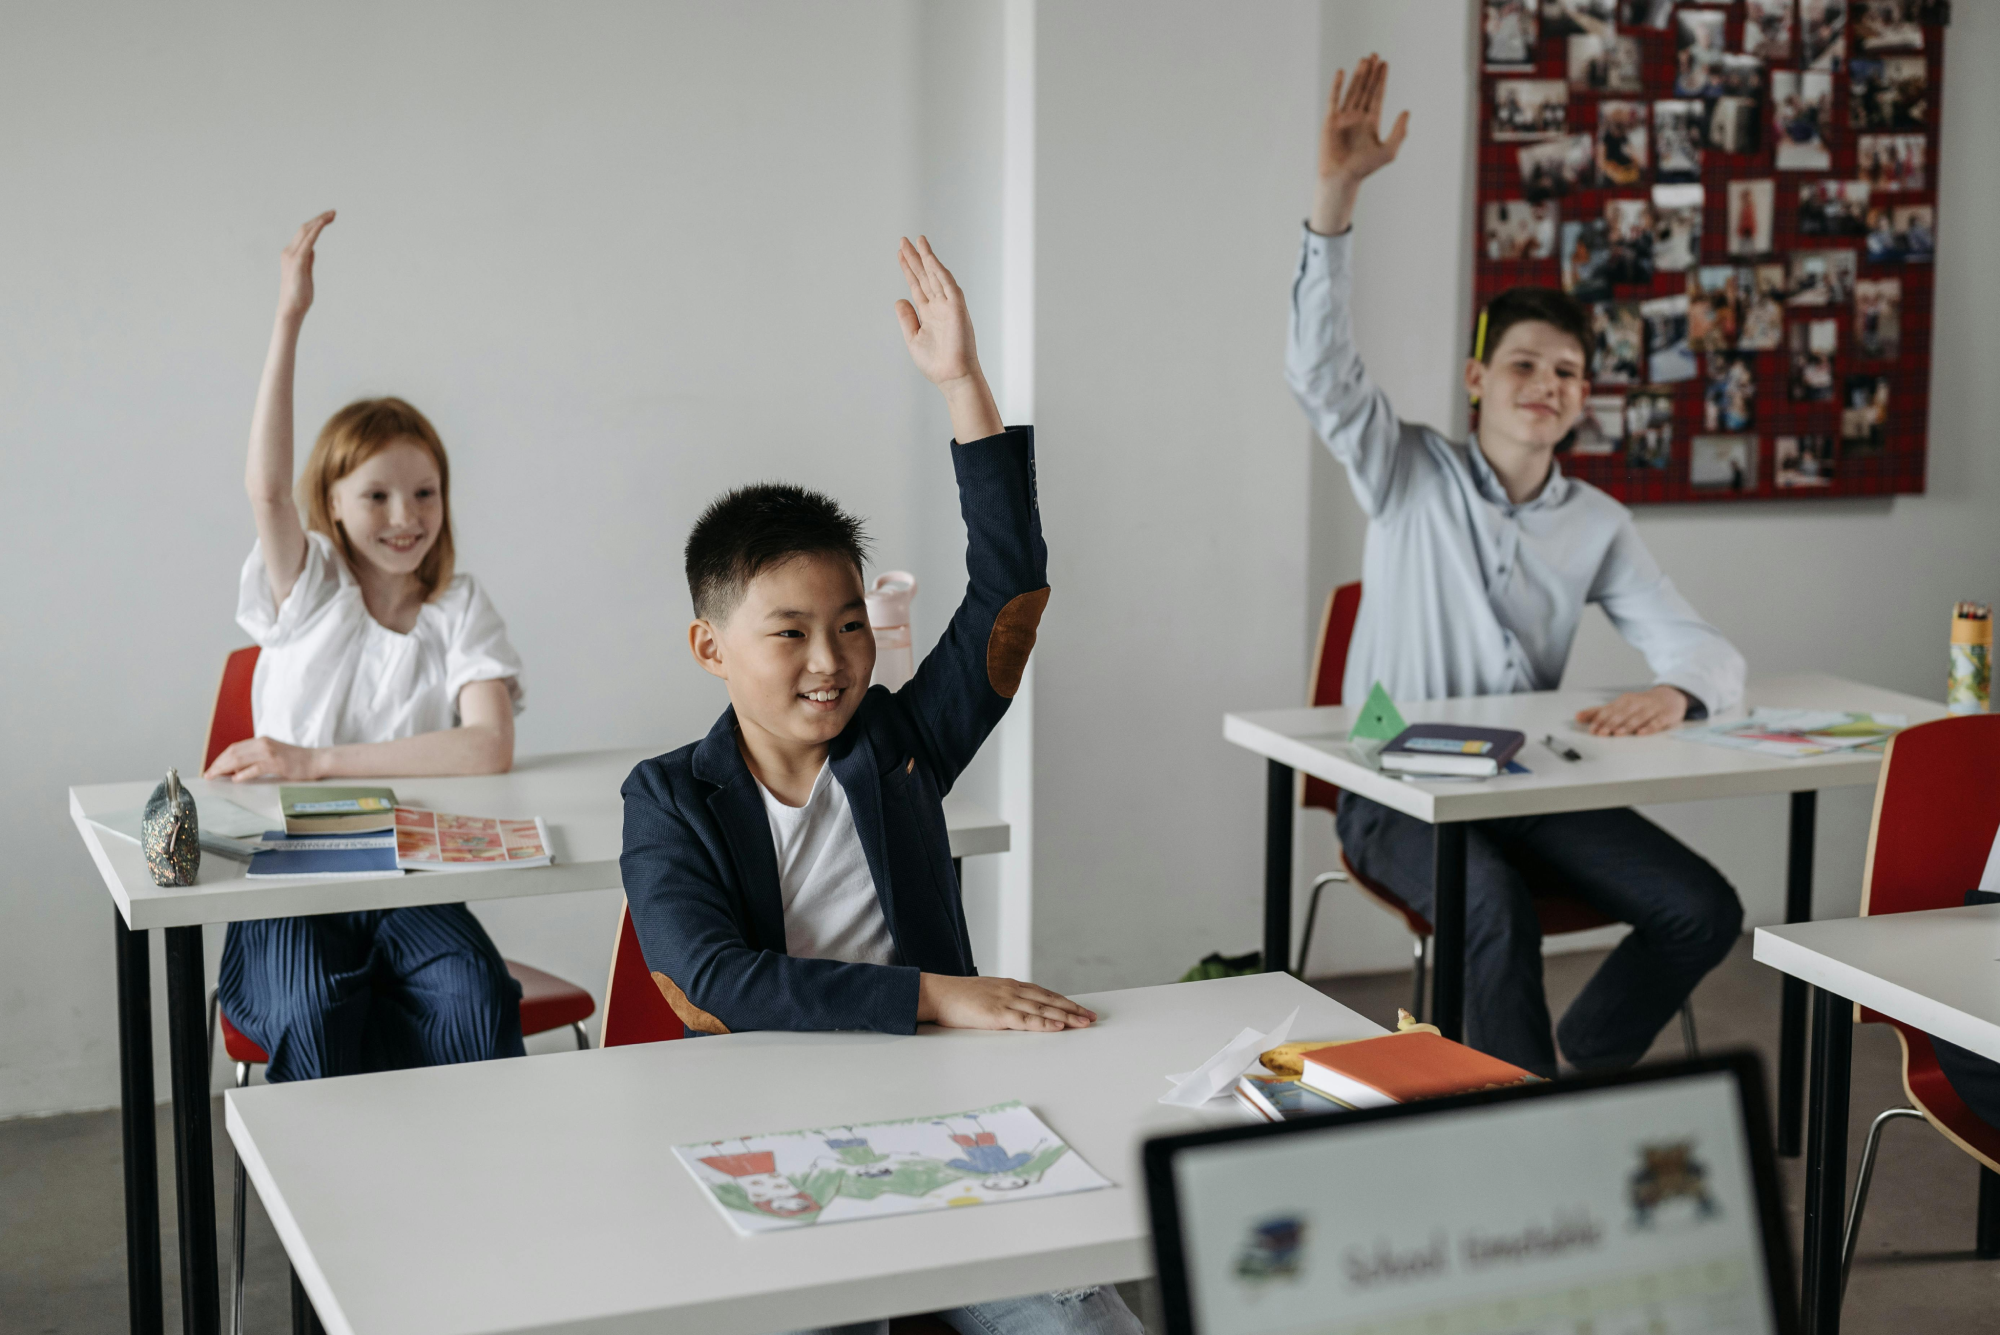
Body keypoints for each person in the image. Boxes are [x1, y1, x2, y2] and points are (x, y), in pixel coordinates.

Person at [620, 236, 1142, 1335]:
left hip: (943, 1121)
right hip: (768, 1134)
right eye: (791, 633)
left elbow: (1010, 591)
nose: (832, 660)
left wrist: (962, 386)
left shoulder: (899, 745)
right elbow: (714, 979)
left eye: (851, 625)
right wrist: (940, 997)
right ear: (708, 648)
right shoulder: (665, 798)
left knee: (1083, 1322)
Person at [1286, 57, 1746, 1078]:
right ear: (1475, 379)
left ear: (1584, 397)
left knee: (1701, 908)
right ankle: (1514, 1116)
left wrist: (1676, 689)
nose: (1545, 385)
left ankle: (1577, 1063)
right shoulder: (1403, 468)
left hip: (1521, 780)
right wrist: (1337, 194)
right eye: (1523, 364)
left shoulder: (1595, 520)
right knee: (1486, 903)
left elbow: (1698, 645)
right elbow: (1319, 372)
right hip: (1388, 776)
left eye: (1567, 372)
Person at [206, 211, 526, 1081]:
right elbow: (265, 489)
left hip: (405, 872)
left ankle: (472, 1195)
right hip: (291, 878)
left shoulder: (458, 606)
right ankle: (333, 1205)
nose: (405, 516)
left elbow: (488, 746)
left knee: (473, 996)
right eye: (377, 494)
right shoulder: (308, 587)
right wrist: (289, 316)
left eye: (424, 493)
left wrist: (312, 762)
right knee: (313, 1006)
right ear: (334, 502)